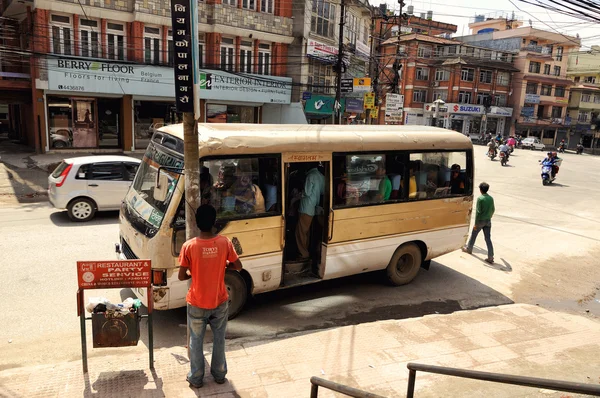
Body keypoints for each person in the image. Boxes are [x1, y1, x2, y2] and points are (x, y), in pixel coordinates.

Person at [178, 204, 243, 389]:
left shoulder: (188, 246)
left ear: (197, 223)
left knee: (196, 341)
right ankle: (220, 375)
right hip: (220, 300)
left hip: (197, 302)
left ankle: (196, 378)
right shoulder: (224, 242)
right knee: (219, 339)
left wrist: (194, 272)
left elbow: (182, 276)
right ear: (214, 222)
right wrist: (223, 265)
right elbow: (238, 266)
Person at [295, 163, 325, 260]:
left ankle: (303, 254)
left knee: (300, 233)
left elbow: (306, 192)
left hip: (305, 207)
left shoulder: (310, 176)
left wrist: (298, 194)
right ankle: (305, 251)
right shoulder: (321, 176)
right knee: (306, 232)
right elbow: (322, 191)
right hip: (313, 207)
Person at [462, 182, 495, 264]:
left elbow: (478, 213)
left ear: (480, 190)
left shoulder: (480, 199)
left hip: (480, 221)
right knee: (488, 239)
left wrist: (476, 224)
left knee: (474, 235)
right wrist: (490, 216)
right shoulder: (491, 198)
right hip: (488, 221)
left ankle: (469, 249)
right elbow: (493, 209)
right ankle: (490, 257)